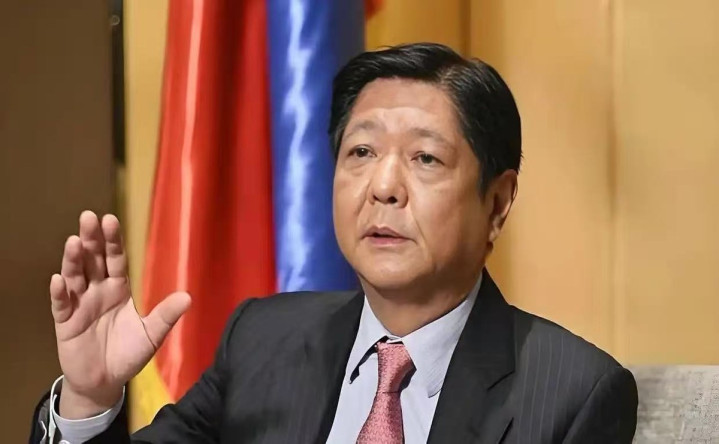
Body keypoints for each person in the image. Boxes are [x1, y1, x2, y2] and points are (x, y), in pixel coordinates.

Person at [30, 43, 637, 443]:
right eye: (361, 152)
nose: (383, 187)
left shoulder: (572, 393)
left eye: (425, 158)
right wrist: (90, 398)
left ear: (497, 203)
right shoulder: (262, 340)